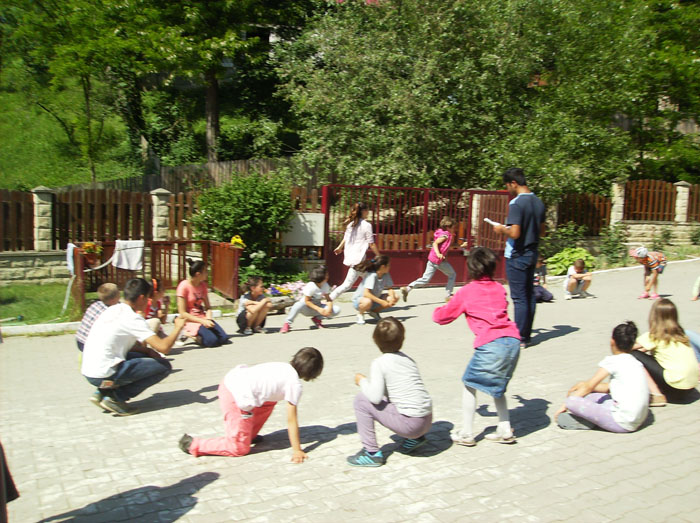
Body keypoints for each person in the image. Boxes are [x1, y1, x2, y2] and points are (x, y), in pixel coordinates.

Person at [432, 247, 521, 446]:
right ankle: (505, 429)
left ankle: (466, 433)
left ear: (471, 268)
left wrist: (442, 306)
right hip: (513, 341)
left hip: (491, 344)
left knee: (470, 383)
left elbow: (442, 317)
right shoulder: (499, 288)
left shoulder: (467, 291)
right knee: (498, 386)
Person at [179, 347, 324, 463]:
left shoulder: (282, 366)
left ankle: (248, 434)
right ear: (313, 372)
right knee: (239, 448)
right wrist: (297, 450)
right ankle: (193, 444)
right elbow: (291, 420)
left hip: (232, 382)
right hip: (235, 396)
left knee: (269, 401)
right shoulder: (294, 385)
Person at [81, 278, 186, 416]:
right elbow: (164, 347)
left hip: (90, 371)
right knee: (163, 366)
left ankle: (101, 392)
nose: (148, 302)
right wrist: (178, 328)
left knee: (143, 355)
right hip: (103, 374)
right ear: (141, 298)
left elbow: (122, 344)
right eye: (147, 298)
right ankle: (115, 398)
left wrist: (147, 350)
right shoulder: (132, 318)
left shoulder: (113, 309)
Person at [347, 318, 433, 467]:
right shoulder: (408, 360)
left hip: (411, 425)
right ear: (402, 339)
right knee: (393, 395)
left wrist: (362, 381)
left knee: (361, 400)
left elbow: (375, 398)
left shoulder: (379, 363)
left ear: (375, 340)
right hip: (427, 420)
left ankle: (371, 453)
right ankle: (415, 439)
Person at [554, 321, 649, 432]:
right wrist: (584, 385)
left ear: (612, 341)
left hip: (621, 422)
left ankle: (592, 421)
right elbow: (609, 388)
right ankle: (596, 418)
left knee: (572, 401)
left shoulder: (613, 361)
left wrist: (564, 406)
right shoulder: (635, 362)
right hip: (638, 419)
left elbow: (589, 387)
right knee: (589, 397)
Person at [492, 167, 546, 349]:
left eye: (507, 186)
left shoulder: (516, 204)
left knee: (519, 298)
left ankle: (520, 337)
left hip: (518, 255)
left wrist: (502, 229)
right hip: (532, 253)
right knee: (529, 294)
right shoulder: (538, 202)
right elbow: (542, 231)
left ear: (513, 183)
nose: (507, 189)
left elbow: (515, 233)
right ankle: (527, 335)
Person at [632, 299, 699, 405]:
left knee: (633, 355)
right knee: (651, 358)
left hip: (675, 389)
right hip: (690, 389)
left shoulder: (654, 335)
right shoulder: (681, 334)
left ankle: (657, 395)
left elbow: (628, 348)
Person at [329, 202, 381, 301]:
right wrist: (379, 256)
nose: (368, 212)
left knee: (369, 279)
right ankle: (329, 299)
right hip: (359, 261)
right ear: (364, 211)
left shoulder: (351, 224)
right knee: (349, 284)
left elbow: (345, 238)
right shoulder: (366, 225)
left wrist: (339, 247)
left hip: (354, 259)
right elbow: (371, 244)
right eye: (367, 210)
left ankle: (370, 301)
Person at [401, 216, 457, 303]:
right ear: (448, 227)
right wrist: (438, 254)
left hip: (432, 259)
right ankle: (448, 295)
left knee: (425, 279)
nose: (454, 229)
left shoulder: (441, 232)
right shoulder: (445, 235)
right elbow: (435, 243)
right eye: (453, 227)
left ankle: (408, 288)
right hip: (438, 260)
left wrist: (461, 246)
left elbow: (446, 246)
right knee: (452, 274)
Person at [176, 259, 230, 347]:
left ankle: (199, 333)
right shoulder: (183, 286)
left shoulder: (203, 285)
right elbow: (182, 313)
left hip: (203, 318)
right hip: (190, 319)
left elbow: (208, 307)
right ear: (198, 274)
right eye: (205, 272)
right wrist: (202, 321)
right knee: (212, 342)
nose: (207, 274)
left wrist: (208, 319)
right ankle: (188, 334)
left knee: (223, 339)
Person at [280, 266, 340, 333]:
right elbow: (307, 301)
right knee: (297, 305)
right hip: (306, 308)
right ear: (321, 276)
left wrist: (329, 309)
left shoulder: (325, 285)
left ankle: (317, 319)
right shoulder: (311, 286)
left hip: (317, 306)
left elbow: (328, 299)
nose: (328, 276)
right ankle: (287, 323)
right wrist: (319, 309)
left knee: (336, 309)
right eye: (326, 275)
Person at [352, 256, 398, 325]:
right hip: (361, 301)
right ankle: (360, 314)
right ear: (383, 267)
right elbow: (366, 294)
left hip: (374, 300)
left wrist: (392, 298)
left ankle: (373, 312)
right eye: (388, 265)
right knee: (367, 301)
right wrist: (382, 302)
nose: (390, 267)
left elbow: (390, 288)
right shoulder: (372, 275)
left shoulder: (386, 274)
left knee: (396, 297)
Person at [75, 283, 120, 352]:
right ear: (114, 299)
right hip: (90, 344)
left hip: (80, 340)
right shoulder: (109, 312)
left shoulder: (95, 304)